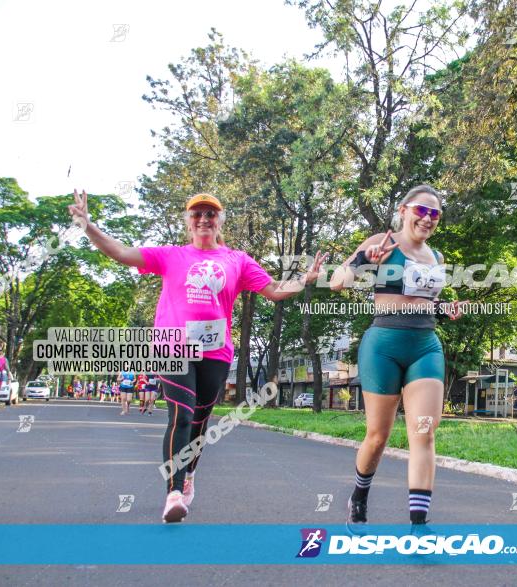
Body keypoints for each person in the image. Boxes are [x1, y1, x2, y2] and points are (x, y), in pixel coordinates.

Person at [69, 189, 326, 523]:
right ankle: (173, 493)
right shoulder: (170, 255)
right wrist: (88, 225)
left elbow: (275, 291)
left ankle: (188, 473)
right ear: (188, 223)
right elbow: (120, 252)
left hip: (215, 352)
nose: (204, 219)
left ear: (220, 222)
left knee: (201, 422)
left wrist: (305, 280)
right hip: (172, 346)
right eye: (197, 214)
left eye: (210, 214)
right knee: (181, 416)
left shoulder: (238, 260)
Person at [330, 185, 463, 534]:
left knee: (424, 433)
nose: (428, 219)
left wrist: (442, 307)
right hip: (383, 345)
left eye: (435, 214)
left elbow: (420, 298)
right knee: (377, 436)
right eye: (422, 210)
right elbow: (336, 282)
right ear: (404, 210)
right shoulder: (383, 241)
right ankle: (359, 497)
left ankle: (419, 526)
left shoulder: (437, 258)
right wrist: (362, 261)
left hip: (425, 346)